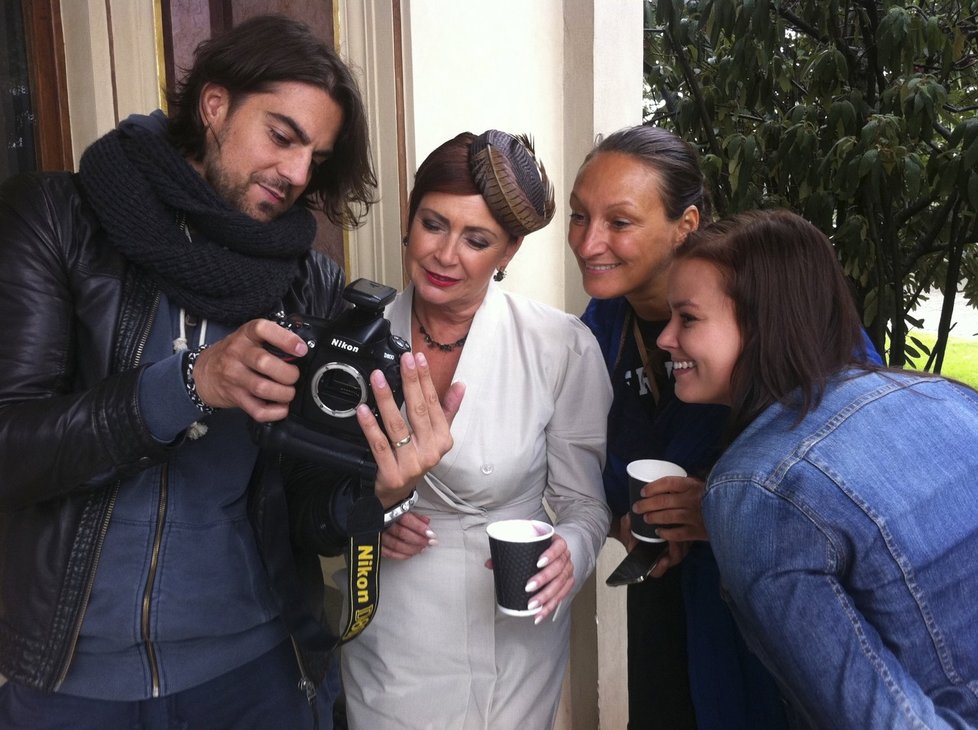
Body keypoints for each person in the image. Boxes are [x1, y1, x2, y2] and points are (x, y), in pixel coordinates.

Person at [0, 15, 460, 730]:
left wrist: (377, 489)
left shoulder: (309, 281)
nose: (298, 174)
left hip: (256, 674)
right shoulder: (60, 221)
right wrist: (187, 385)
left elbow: (307, 510)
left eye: (317, 154)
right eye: (283, 135)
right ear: (214, 106)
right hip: (73, 682)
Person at [657, 208, 978, 729]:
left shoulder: (753, 487)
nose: (665, 338)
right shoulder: (942, 394)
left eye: (687, 319)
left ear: (764, 325)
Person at [341, 130, 612, 729]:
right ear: (409, 221)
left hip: (513, 629)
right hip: (390, 623)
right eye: (433, 224)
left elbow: (584, 504)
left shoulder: (559, 346)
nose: (445, 255)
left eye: (477, 239)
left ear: (508, 252)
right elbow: (307, 491)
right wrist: (362, 521)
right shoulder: (352, 338)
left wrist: (571, 550)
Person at [567, 125, 790, 729]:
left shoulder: (772, 305)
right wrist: (626, 519)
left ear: (686, 225)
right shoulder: (597, 331)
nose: (589, 244)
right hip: (664, 597)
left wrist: (719, 507)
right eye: (579, 217)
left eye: (620, 222)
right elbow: (596, 462)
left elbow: (846, 456)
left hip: (766, 610)